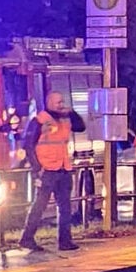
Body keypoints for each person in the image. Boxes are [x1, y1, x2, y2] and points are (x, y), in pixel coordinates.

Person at [19, 91, 86, 252]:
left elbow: (81, 127)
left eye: (62, 101)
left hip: (63, 168)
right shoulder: (39, 120)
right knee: (39, 206)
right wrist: (37, 168)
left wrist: (71, 112)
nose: (61, 105)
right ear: (49, 103)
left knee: (65, 207)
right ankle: (27, 238)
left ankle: (65, 241)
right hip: (46, 169)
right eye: (58, 102)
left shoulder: (65, 119)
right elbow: (28, 145)